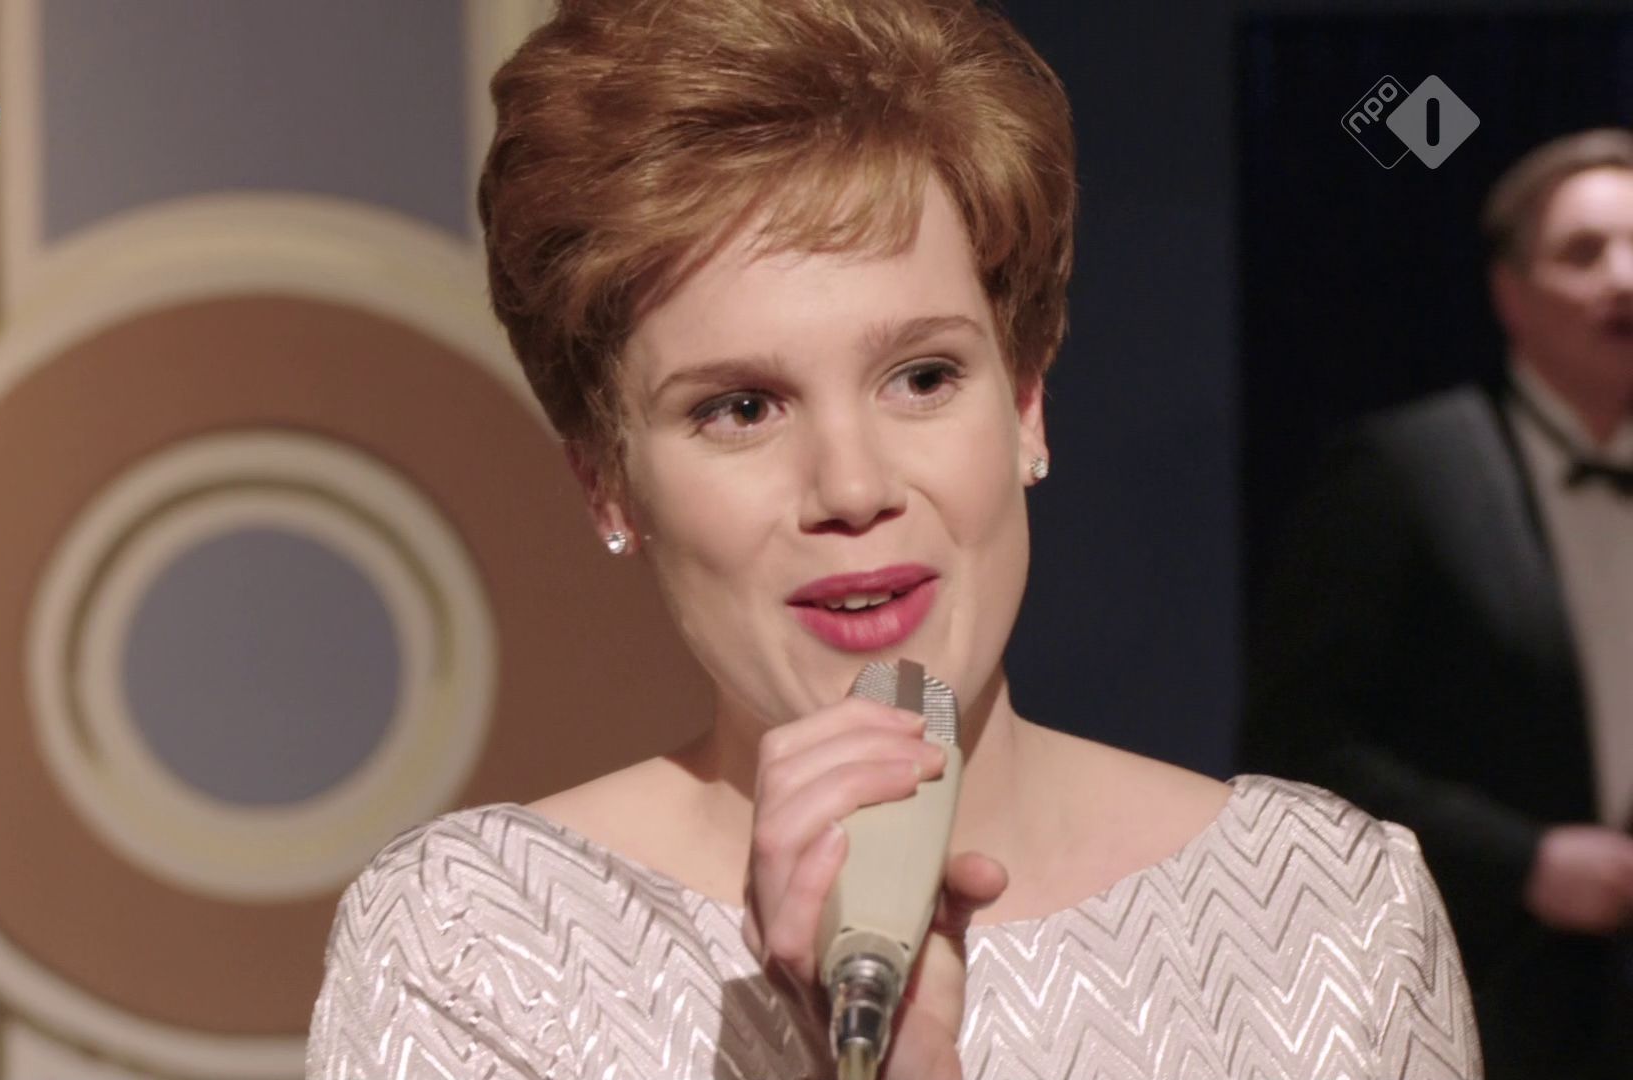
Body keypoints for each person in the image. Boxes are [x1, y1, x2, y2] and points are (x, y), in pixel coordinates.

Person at [307, 2, 1482, 1076]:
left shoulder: (1329, 907)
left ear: (1026, 404)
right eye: (741, 408)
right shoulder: (472, 941)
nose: (853, 487)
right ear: (607, 482)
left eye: (922, 377)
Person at [1241, 128, 1633, 1080]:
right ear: (1511, 293)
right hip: (1490, 992)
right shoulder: (1407, 471)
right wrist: (1525, 861)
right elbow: (1296, 747)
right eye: (1584, 252)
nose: (1624, 279)